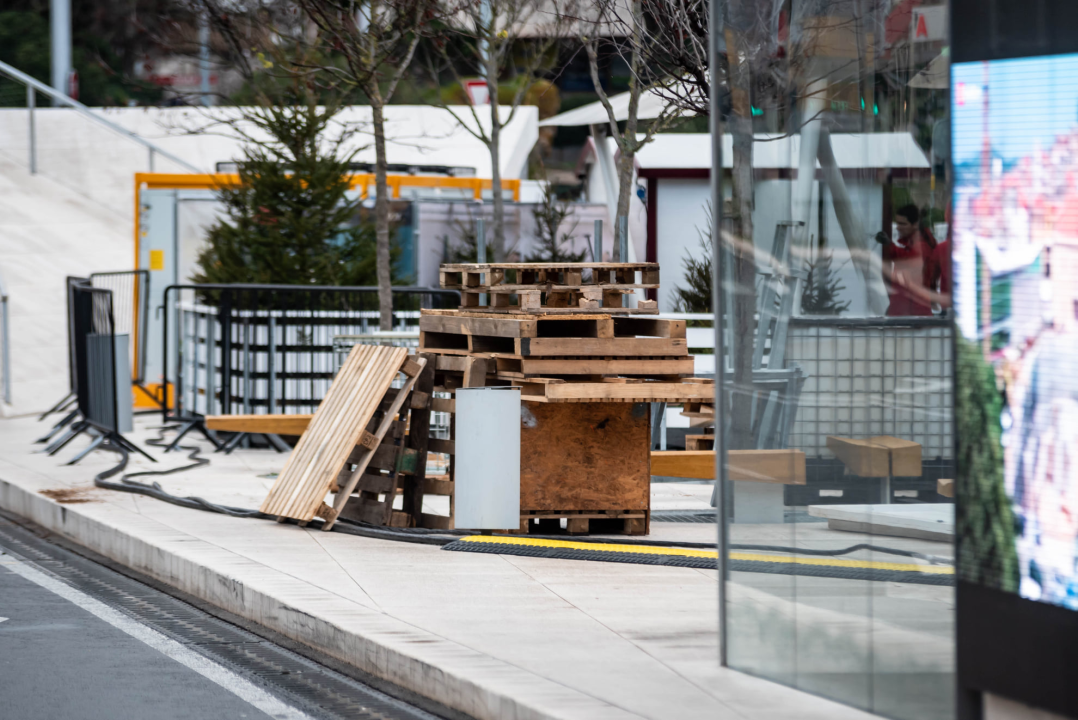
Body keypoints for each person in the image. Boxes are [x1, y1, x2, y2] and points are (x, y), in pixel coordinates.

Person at [882, 204, 934, 316]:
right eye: (897, 223)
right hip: (906, 310)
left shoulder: (922, 245)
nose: (898, 227)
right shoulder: (910, 244)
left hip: (914, 312)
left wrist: (889, 245)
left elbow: (909, 259)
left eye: (903, 224)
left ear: (915, 225)